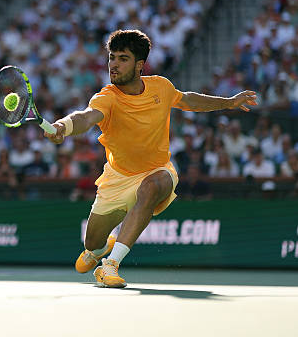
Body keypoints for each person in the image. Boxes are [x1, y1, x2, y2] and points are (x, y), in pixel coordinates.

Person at [44, 30, 257, 288]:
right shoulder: (107, 97)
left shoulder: (161, 87)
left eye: (123, 58)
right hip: (117, 177)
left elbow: (188, 99)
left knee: (153, 185)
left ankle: (110, 265)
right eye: (112, 58)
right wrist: (63, 127)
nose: (114, 64)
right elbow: (86, 117)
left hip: (157, 170)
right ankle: (98, 250)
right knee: (92, 243)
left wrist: (229, 103)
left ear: (139, 65)